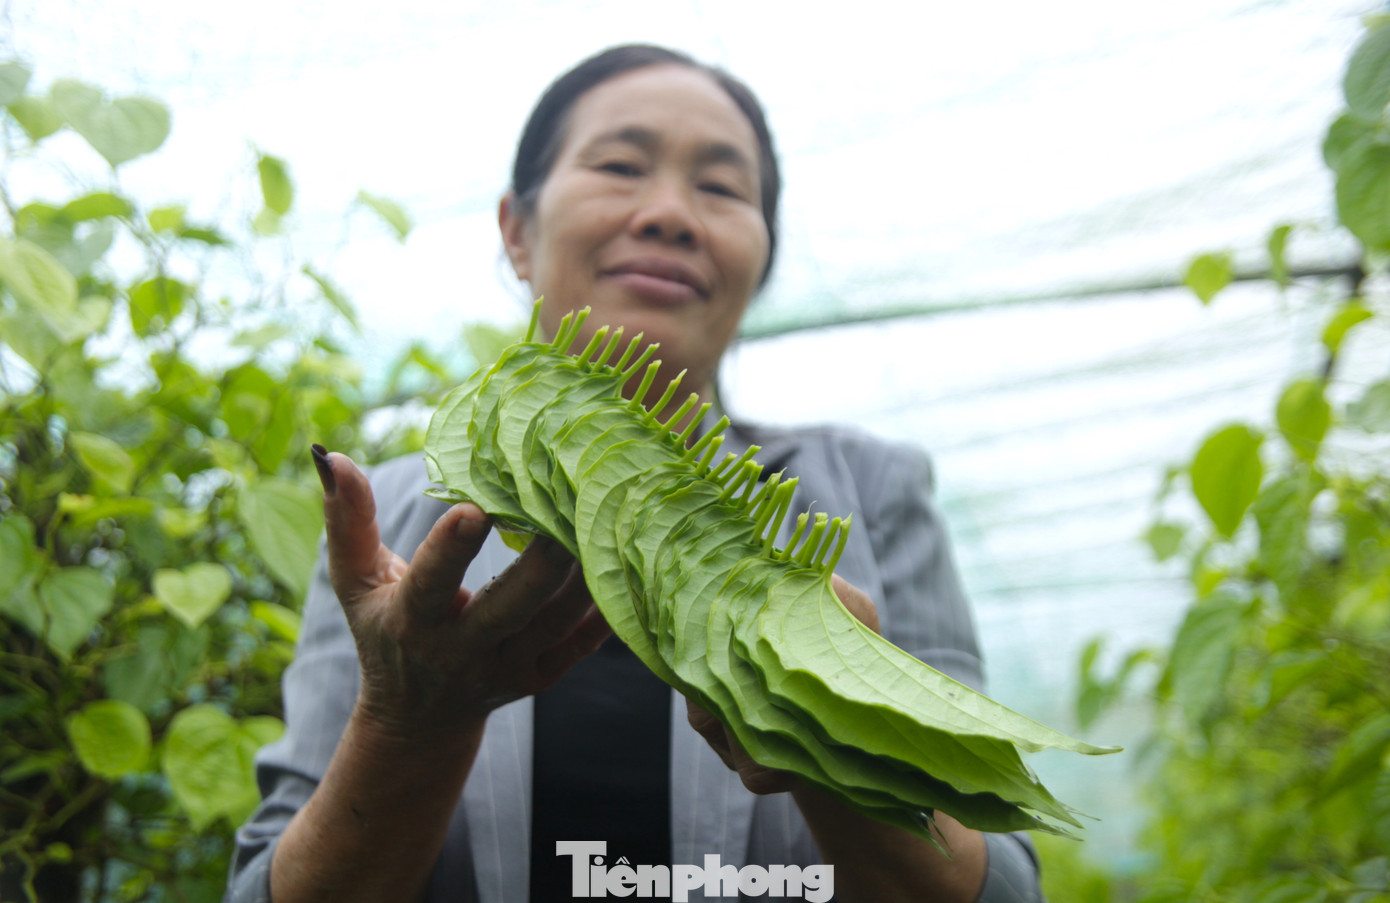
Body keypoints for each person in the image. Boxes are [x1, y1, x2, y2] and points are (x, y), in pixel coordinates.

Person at [226, 44, 1045, 903]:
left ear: (760, 258)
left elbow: (1005, 889)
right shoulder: (390, 514)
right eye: (620, 165)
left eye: (723, 188)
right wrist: (408, 723)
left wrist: (833, 722)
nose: (669, 213)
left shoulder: (871, 490)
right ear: (516, 229)